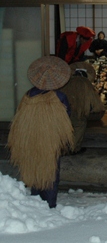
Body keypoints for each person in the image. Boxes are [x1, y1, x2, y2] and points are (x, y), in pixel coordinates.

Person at [7, 56, 74, 208]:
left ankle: (36, 203)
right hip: (49, 141)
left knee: (34, 168)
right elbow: (66, 117)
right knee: (49, 172)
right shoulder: (58, 97)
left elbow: (19, 117)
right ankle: (49, 205)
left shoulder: (28, 95)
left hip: (28, 138)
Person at [60, 62, 106, 155]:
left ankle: (63, 146)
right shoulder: (86, 84)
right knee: (79, 126)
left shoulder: (66, 84)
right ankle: (73, 149)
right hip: (78, 114)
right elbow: (96, 106)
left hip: (65, 112)